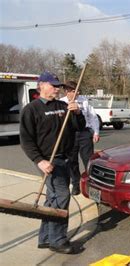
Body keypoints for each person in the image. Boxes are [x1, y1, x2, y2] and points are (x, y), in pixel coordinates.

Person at [20, 71, 86, 254]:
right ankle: (58, 240)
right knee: (62, 195)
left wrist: (78, 113)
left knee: (52, 198)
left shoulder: (63, 106)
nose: (57, 88)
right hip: (48, 161)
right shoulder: (31, 109)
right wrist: (39, 161)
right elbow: (26, 140)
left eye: (58, 85)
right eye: (53, 85)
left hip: (65, 158)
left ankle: (46, 238)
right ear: (41, 85)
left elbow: (79, 127)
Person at [60, 81, 100, 196]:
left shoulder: (85, 101)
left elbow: (93, 117)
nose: (77, 92)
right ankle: (76, 184)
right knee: (72, 161)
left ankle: (90, 183)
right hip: (70, 135)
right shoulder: (61, 103)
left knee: (88, 159)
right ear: (68, 91)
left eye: (77, 90)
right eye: (74, 91)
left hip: (84, 133)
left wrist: (96, 132)